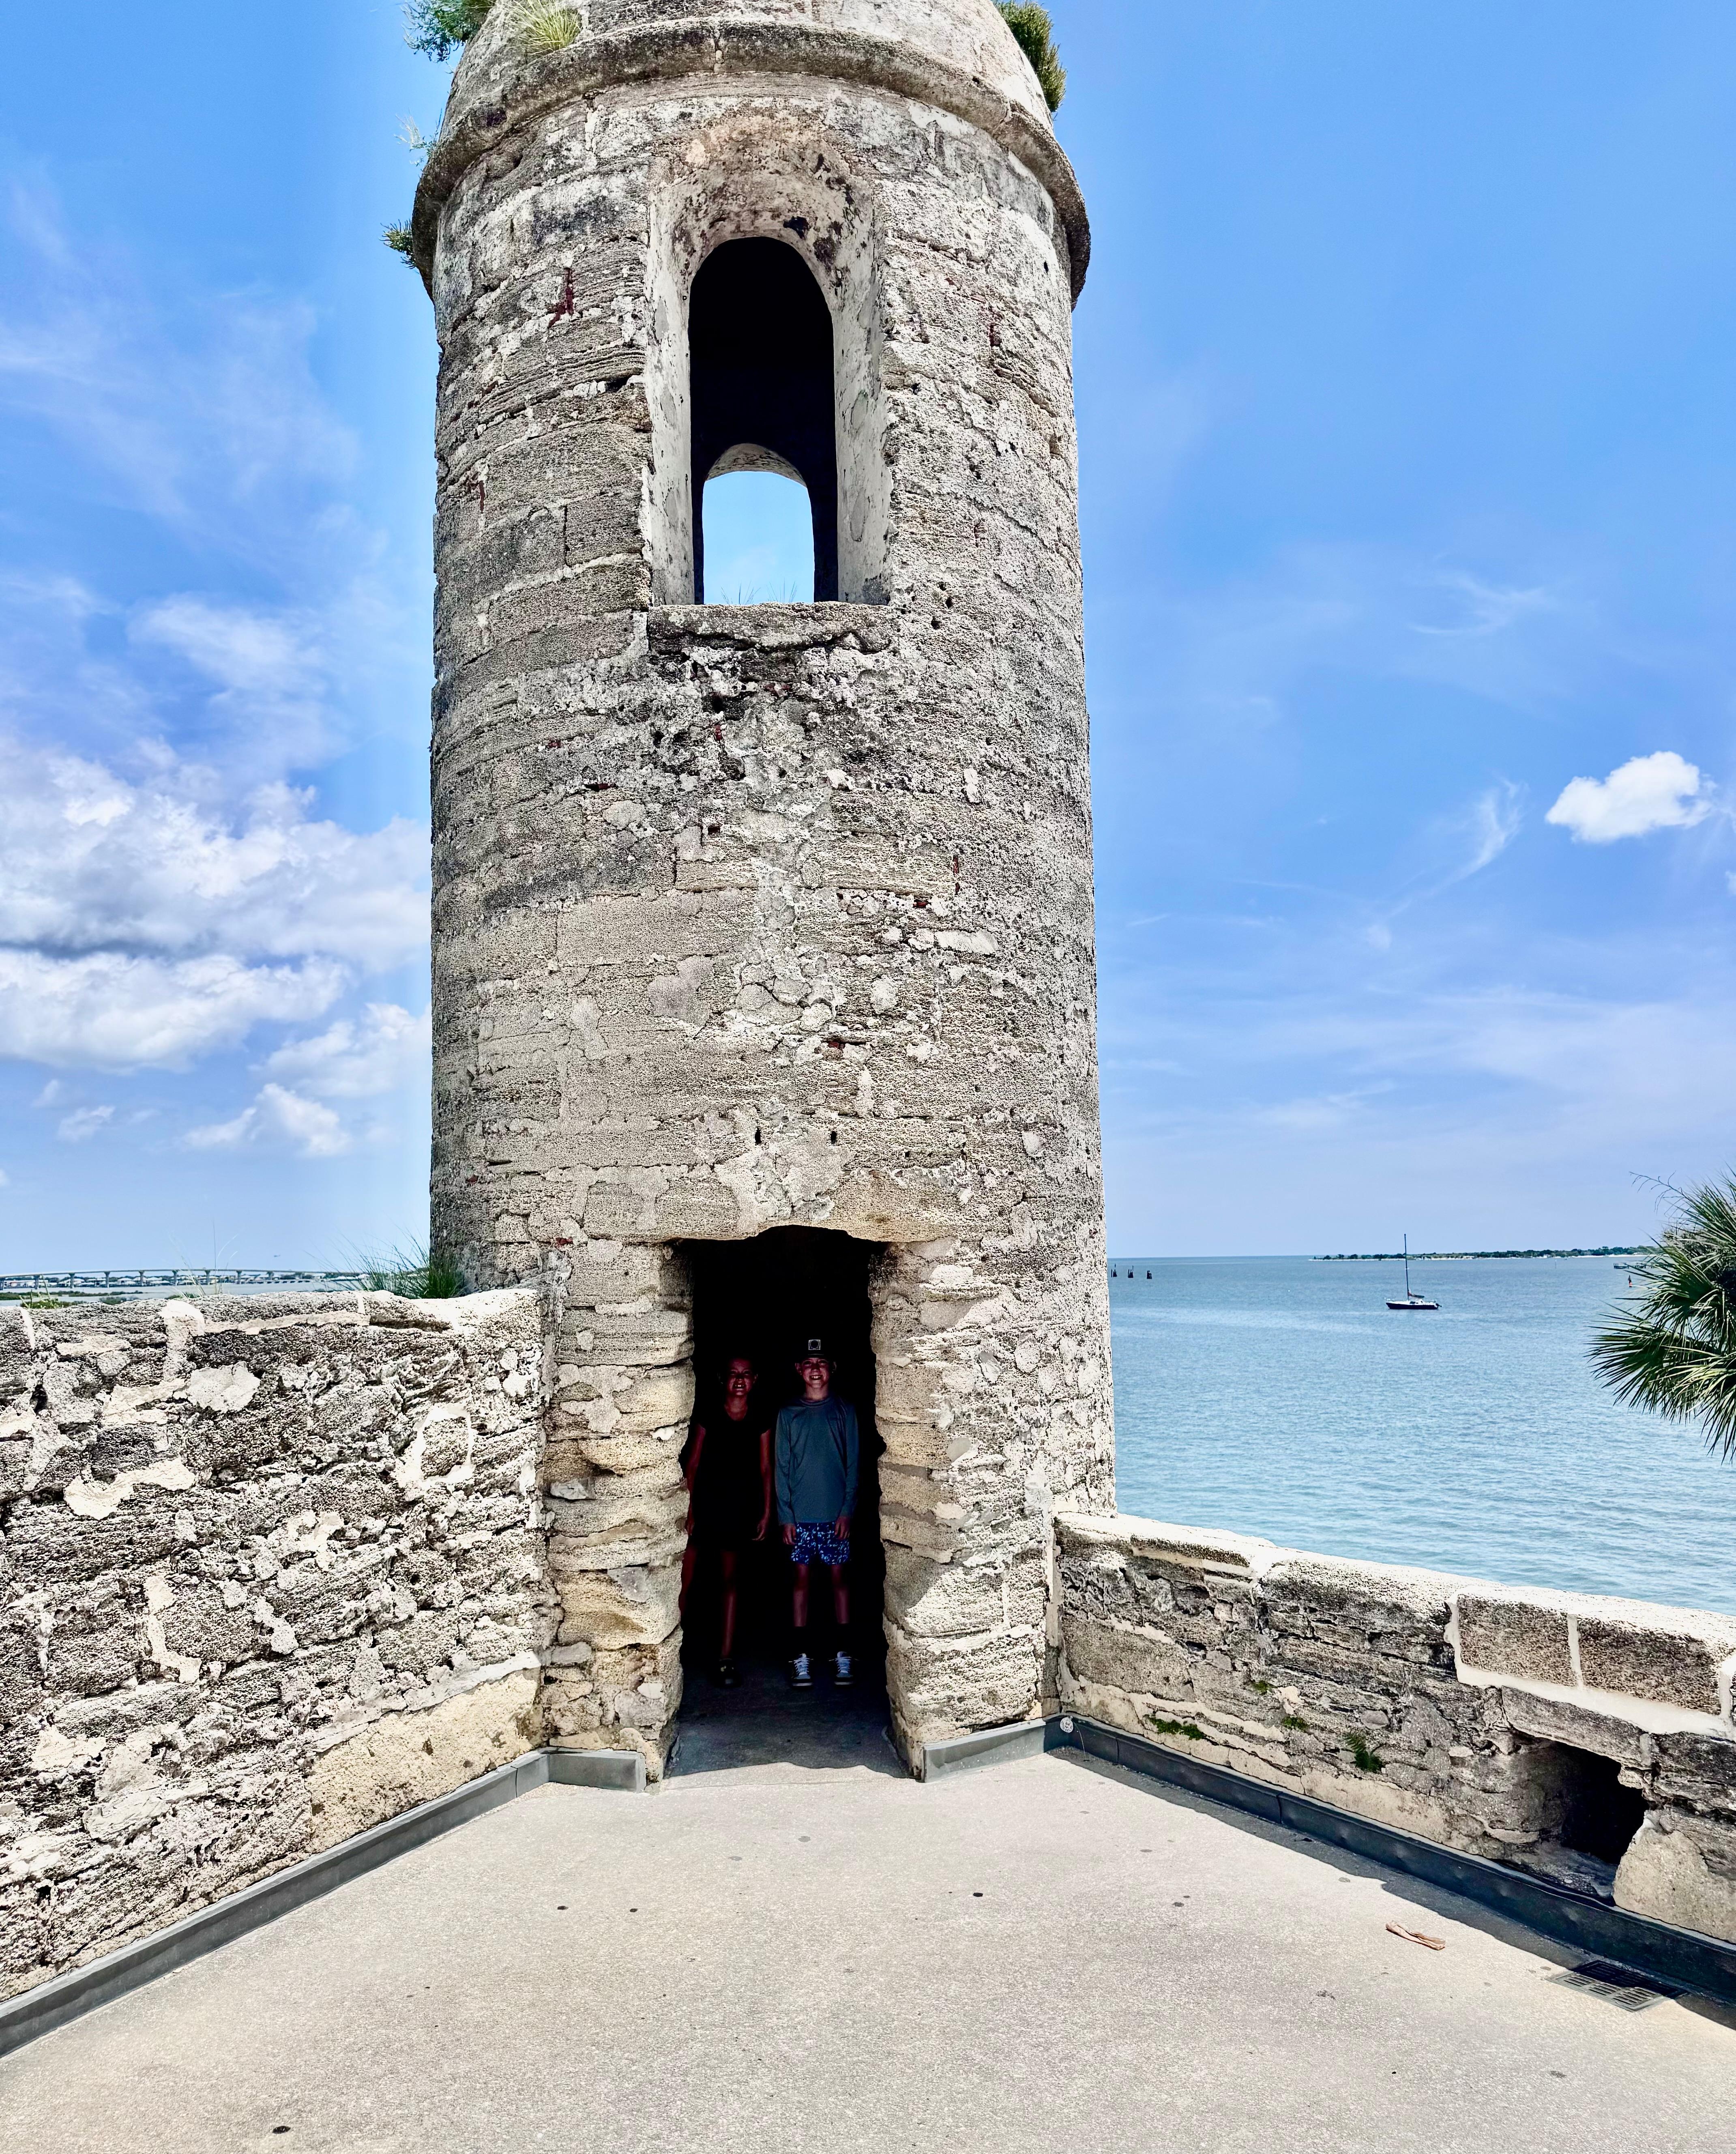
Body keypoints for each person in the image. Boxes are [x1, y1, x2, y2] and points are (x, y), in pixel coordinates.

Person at [681, 1353, 773, 1687]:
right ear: (723, 1378)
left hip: (738, 1509)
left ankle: (725, 1657)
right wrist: (689, 1510)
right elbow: (693, 1463)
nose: (739, 1379)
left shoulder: (760, 1418)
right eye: (734, 1373)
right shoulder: (709, 1412)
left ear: (755, 1380)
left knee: (730, 1582)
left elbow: (766, 1467)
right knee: (686, 1579)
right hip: (705, 1505)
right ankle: (672, 1649)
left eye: (746, 1374)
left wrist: (766, 1511)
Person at [774, 1338, 859, 1689]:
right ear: (798, 1369)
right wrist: (785, 1516)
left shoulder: (844, 1410)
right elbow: (781, 1467)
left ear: (832, 1368)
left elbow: (853, 1464)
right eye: (808, 1362)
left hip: (835, 1515)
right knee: (800, 1583)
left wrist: (847, 1511)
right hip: (800, 1517)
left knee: (839, 1581)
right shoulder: (788, 1413)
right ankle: (801, 1655)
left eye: (821, 1362)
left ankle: (843, 1652)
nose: (815, 1369)